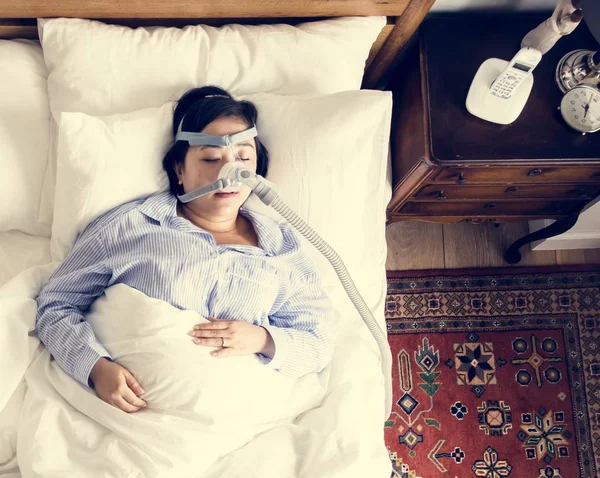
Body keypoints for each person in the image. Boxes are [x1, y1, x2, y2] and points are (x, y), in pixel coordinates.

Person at [35, 86, 334, 414]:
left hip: (240, 418)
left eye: (244, 158)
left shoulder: (280, 247)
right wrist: (95, 368)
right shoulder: (130, 227)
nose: (229, 171)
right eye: (210, 158)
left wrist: (263, 340)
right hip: (128, 417)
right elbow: (56, 305)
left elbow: (318, 343)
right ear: (179, 169)